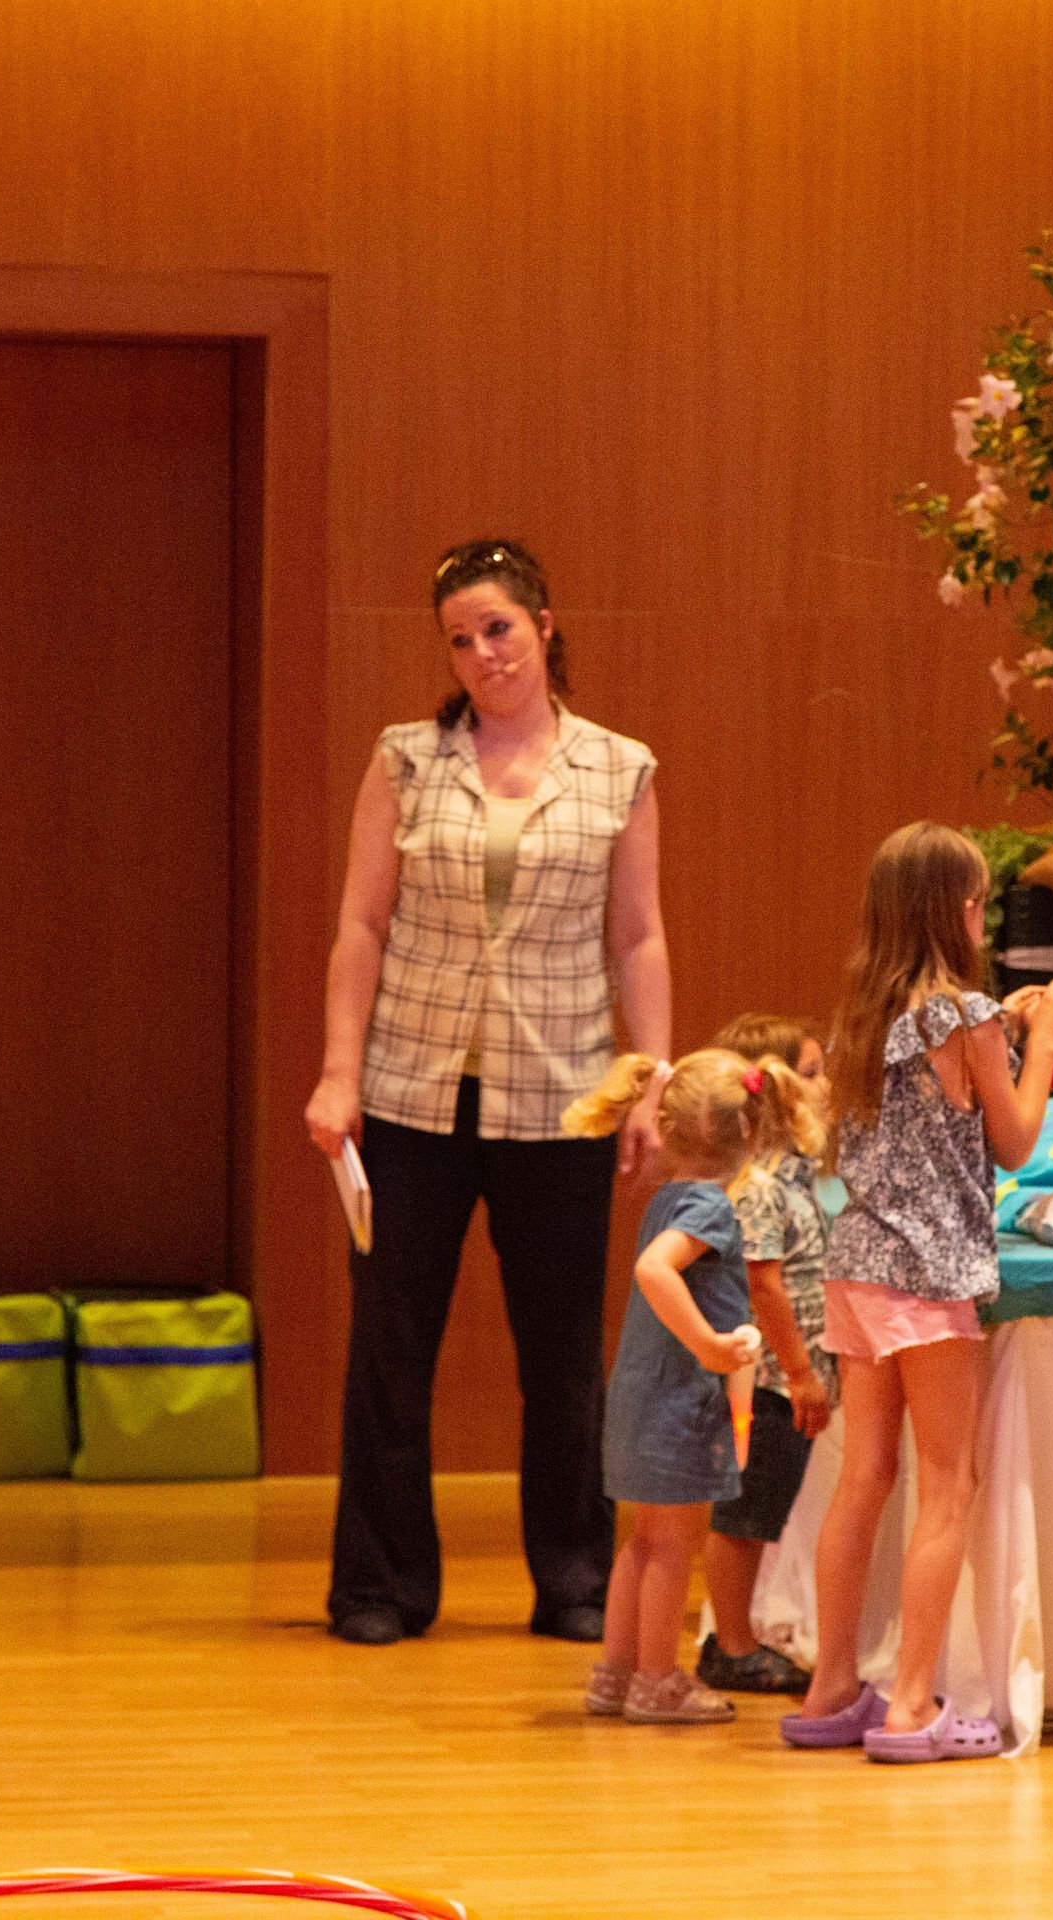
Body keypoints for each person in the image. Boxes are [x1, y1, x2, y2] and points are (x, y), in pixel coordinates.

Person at [304, 539, 670, 1650]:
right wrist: (338, 1070)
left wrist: (650, 1080)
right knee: (389, 1345)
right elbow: (361, 924)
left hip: (560, 1096)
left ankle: (574, 1580)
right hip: (411, 1093)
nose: (482, 654)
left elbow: (639, 938)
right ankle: (380, 1586)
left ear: (544, 627)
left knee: (561, 1352)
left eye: (498, 629)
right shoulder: (406, 759)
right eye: (460, 639)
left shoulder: (618, 768)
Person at [781, 823, 1053, 1762]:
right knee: (947, 1486)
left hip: (857, 1264)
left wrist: (1009, 1032)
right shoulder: (966, 1016)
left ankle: (832, 1687)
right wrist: (1045, 1042)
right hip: (930, 1275)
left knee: (864, 1477)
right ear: (960, 909)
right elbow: (1017, 1140)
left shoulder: (860, 1017)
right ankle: (912, 1704)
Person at [563, 1047, 820, 1723]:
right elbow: (655, 1270)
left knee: (644, 1541)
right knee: (672, 1545)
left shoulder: (670, 1199)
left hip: (641, 1396)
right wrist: (709, 1344)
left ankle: (617, 1673)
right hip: (677, 1403)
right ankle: (656, 1680)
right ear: (750, 1132)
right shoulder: (709, 1207)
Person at [696, 1013, 831, 1694]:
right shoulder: (757, 1186)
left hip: (788, 1375)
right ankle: (731, 1644)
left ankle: (738, 1636)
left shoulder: (793, 1173)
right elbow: (762, 1283)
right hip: (769, 1381)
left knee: (760, 1512)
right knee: (744, 1518)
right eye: (811, 1073)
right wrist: (801, 1372)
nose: (826, 1085)